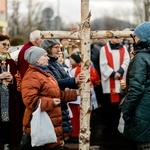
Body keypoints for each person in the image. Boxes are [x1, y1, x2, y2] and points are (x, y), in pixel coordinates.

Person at [21, 46, 78, 150]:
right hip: (42, 125)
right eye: (44, 56)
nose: (47, 58)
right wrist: (50, 102)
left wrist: (75, 94)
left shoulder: (46, 74)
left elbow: (56, 94)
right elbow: (29, 100)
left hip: (51, 123)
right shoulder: (32, 76)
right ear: (36, 60)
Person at [40, 39, 85, 142]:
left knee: (60, 135)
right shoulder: (47, 65)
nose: (59, 50)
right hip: (53, 104)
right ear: (48, 49)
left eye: (59, 47)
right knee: (53, 137)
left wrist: (77, 82)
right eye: (56, 48)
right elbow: (55, 83)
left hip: (62, 103)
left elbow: (66, 78)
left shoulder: (56, 63)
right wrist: (74, 80)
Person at [122, 22, 150, 150]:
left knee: (144, 145)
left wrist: (126, 111)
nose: (134, 38)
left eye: (136, 36)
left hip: (142, 112)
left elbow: (136, 89)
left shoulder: (141, 58)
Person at [100, 36, 130, 132]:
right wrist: (113, 74)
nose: (118, 39)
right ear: (110, 38)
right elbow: (103, 64)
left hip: (120, 80)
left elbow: (126, 61)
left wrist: (120, 71)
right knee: (109, 106)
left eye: (119, 37)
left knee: (120, 104)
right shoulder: (104, 49)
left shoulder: (123, 48)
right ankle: (110, 127)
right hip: (109, 81)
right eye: (116, 37)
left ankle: (119, 125)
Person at [0, 33, 23, 150]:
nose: (6, 47)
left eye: (8, 45)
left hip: (9, 97)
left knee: (7, 121)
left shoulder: (11, 62)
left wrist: (12, 79)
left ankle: (7, 143)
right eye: (4, 44)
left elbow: (18, 77)